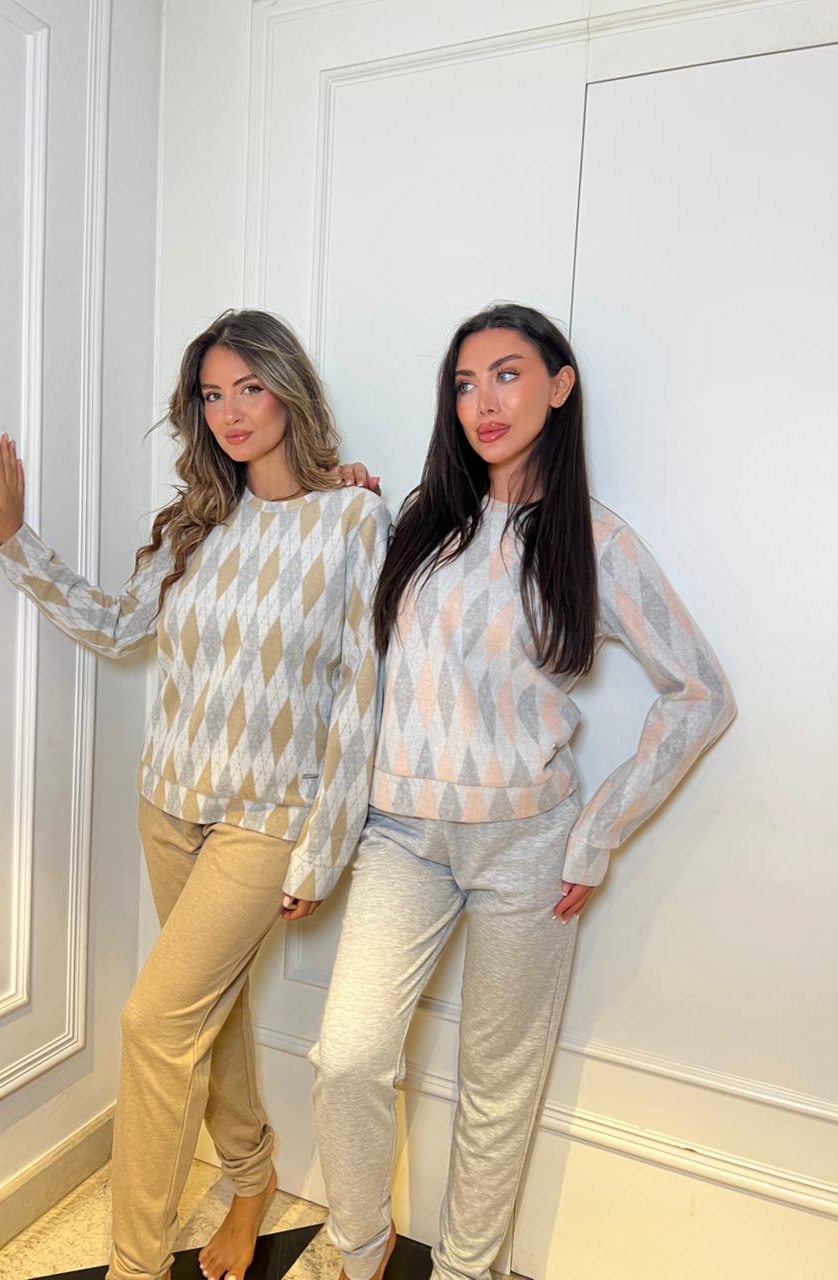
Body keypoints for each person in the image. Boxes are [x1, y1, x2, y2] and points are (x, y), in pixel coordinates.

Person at [310, 303, 737, 1280]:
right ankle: (358, 1251)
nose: (483, 401)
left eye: (507, 373)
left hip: (529, 843)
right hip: (399, 835)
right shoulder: (422, 516)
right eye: (465, 382)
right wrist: (341, 500)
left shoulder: (596, 538)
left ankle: (467, 1269)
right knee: (347, 1054)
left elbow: (700, 693)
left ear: (560, 382)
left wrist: (599, 830)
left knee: (497, 1085)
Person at [0, 309, 390, 1280]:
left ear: (290, 389)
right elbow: (119, 626)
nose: (232, 410)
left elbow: (362, 693)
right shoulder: (199, 522)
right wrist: (15, 543)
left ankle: (132, 1263)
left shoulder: (355, 518)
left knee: (153, 1024)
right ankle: (251, 1176)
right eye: (212, 393)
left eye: (250, 386)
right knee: (208, 1013)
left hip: (266, 819)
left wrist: (325, 847)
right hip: (168, 802)